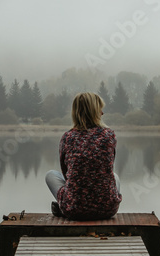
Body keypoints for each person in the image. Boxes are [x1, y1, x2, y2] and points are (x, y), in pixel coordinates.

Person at [45, 92, 122, 220]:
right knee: (114, 176)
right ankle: (67, 205)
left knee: (51, 175)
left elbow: (66, 173)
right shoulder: (109, 136)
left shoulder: (67, 137)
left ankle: (62, 206)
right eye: (100, 109)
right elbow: (108, 168)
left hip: (74, 210)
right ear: (94, 112)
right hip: (108, 209)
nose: (102, 113)